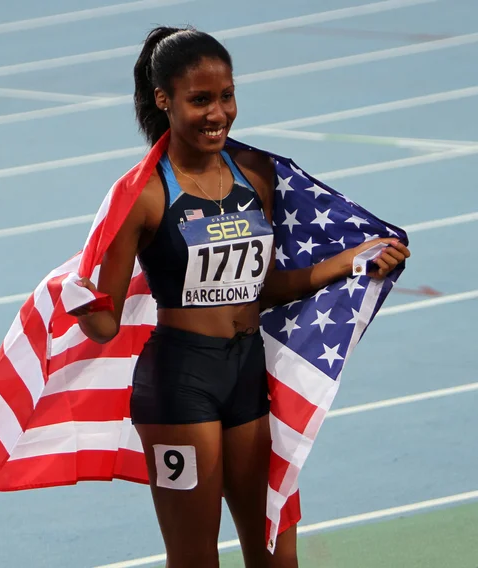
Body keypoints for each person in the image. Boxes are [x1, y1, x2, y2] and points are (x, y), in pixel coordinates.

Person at [73, 27, 410, 568]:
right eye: (199, 100)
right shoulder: (143, 195)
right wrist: (86, 307)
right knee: (195, 558)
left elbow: (261, 287)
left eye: (225, 96)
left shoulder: (254, 174)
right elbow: (106, 323)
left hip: (247, 372)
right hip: (181, 384)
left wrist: (345, 263)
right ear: (164, 100)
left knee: (276, 551)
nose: (217, 113)